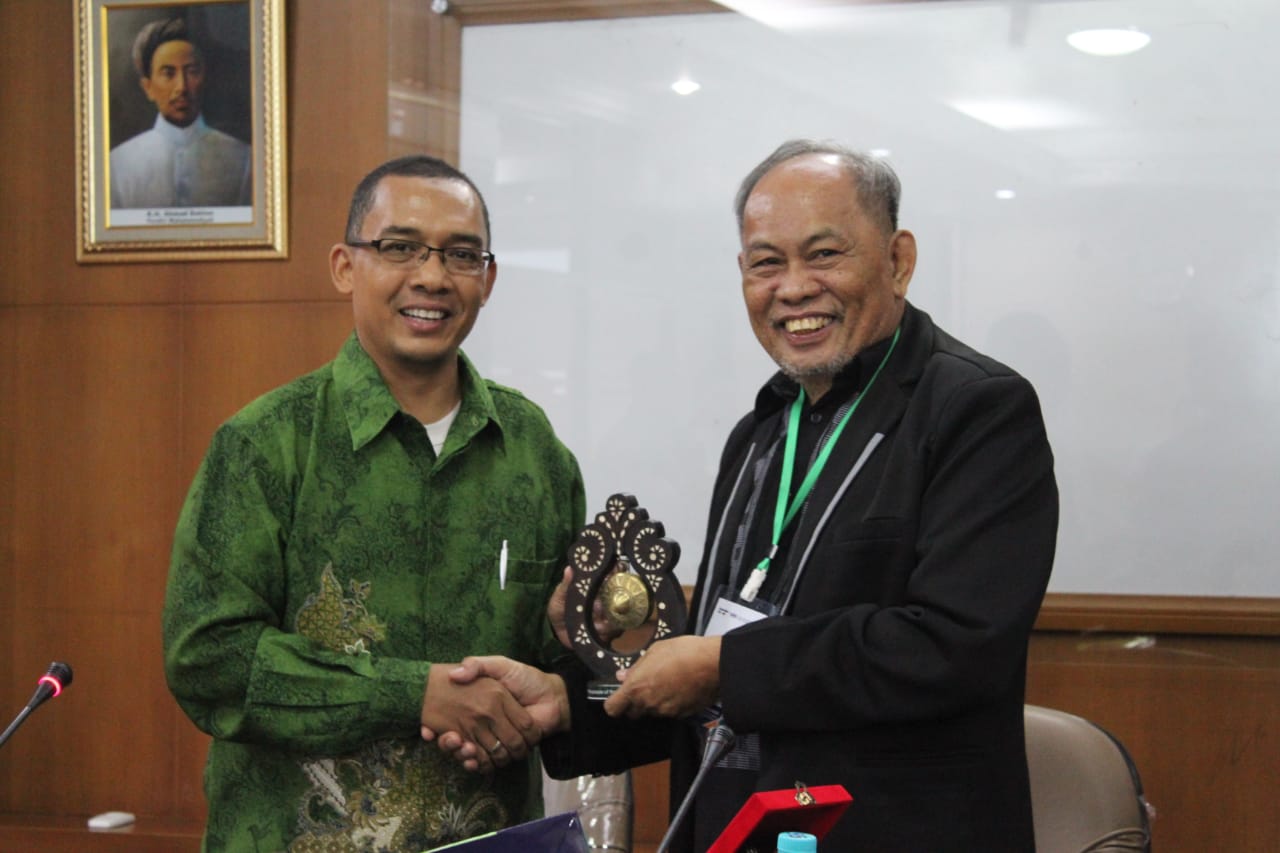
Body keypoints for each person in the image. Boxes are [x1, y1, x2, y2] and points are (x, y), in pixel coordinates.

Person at [431, 139, 1059, 852]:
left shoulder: (977, 411)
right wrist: (571, 705)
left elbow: (950, 647)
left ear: (898, 260)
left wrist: (721, 667)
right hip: (737, 830)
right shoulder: (759, 434)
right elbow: (717, 671)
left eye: (824, 254)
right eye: (767, 262)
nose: (792, 287)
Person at [162, 154, 585, 851]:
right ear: (344, 266)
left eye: (460, 254)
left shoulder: (534, 449)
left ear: (488, 278)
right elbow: (208, 660)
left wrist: (574, 647)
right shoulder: (265, 445)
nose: (431, 276)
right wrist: (413, 693)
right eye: (400, 247)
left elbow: (558, 661)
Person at [110, 17, 251, 209]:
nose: (182, 87)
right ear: (148, 87)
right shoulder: (118, 163)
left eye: (192, 71)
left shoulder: (242, 158)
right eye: (168, 73)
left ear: (205, 78)